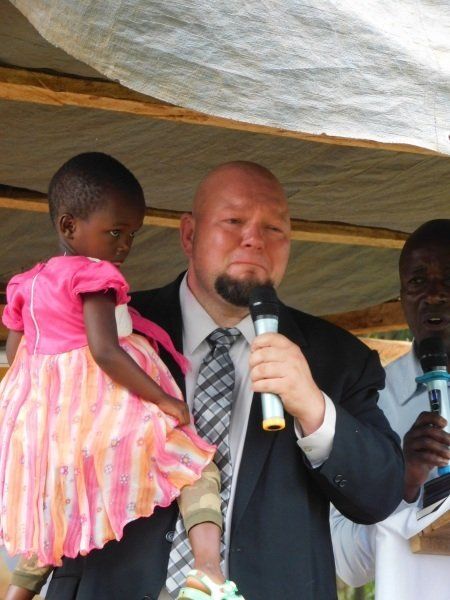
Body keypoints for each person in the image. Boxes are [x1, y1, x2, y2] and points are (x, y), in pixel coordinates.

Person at [46, 160, 404, 600]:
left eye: (274, 228)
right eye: (234, 221)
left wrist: (314, 407)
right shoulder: (115, 328)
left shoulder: (337, 358)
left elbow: (379, 496)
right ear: (189, 235)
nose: (254, 239)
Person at [0, 153, 245, 600]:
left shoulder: (26, 283)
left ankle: (19, 592)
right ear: (69, 226)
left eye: (132, 234)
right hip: (105, 406)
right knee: (191, 464)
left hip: (53, 423)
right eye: (116, 232)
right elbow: (106, 350)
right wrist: (162, 399)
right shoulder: (94, 276)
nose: (125, 246)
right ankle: (209, 571)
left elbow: (18, 356)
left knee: (62, 502)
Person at [331, 219, 450, 600]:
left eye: (449, 278)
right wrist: (401, 481)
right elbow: (348, 564)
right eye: (418, 281)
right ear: (401, 298)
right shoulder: (368, 401)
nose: (434, 294)